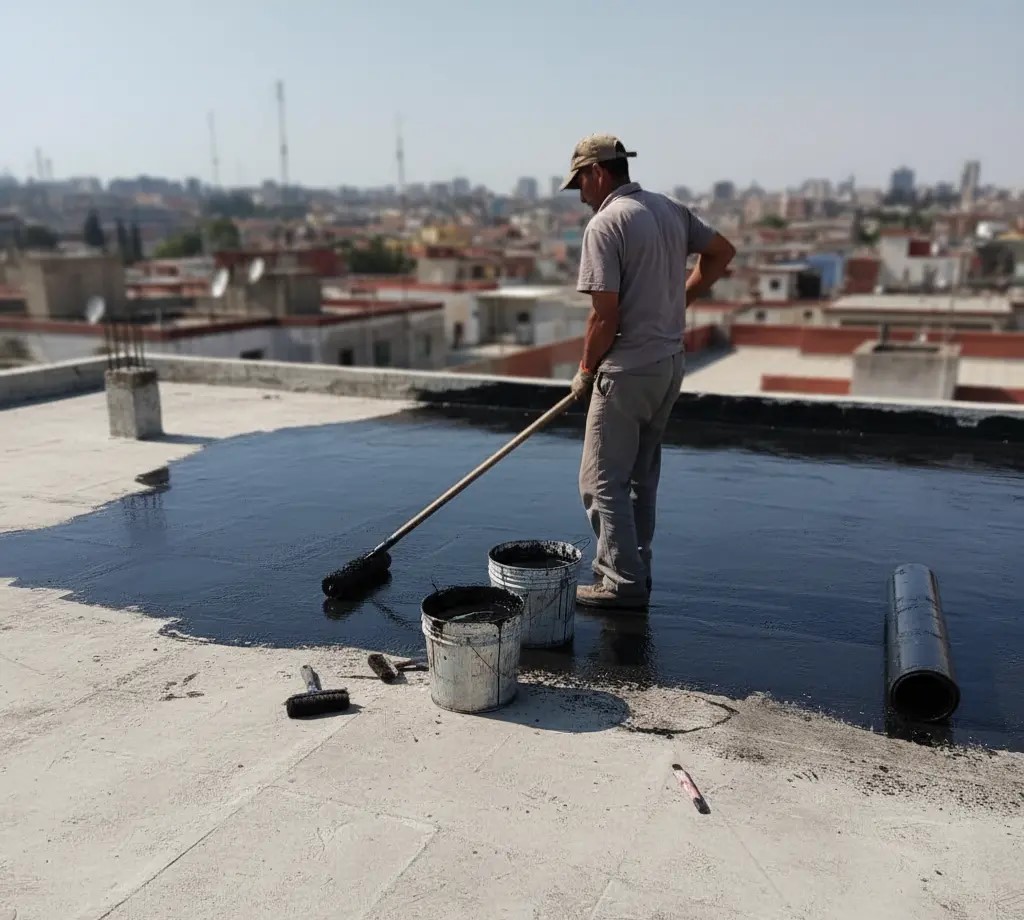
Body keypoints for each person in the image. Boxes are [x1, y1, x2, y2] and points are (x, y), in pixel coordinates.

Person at [559, 134, 736, 609]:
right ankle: (637, 571)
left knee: (600, 481)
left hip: (628, 371)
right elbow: (722, 252)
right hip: (668, 365)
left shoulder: (605, 224)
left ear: (598, 172)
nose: (580, 194)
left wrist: (585, 369)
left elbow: (604, 316)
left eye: (580, 182)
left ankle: (620, 581)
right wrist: (681, 298)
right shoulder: (669, 208)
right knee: (639, 478)